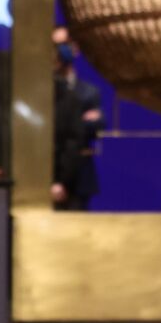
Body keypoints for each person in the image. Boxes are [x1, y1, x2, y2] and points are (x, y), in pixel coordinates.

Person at [51, 26, 104, 210]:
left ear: (75, 48)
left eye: (62, 45)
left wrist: (73, 124)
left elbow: (96, 126)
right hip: (49, 176)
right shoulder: (45, 92)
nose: (57, 51)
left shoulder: (89, 92)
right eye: (53, 45)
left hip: (79, 178)